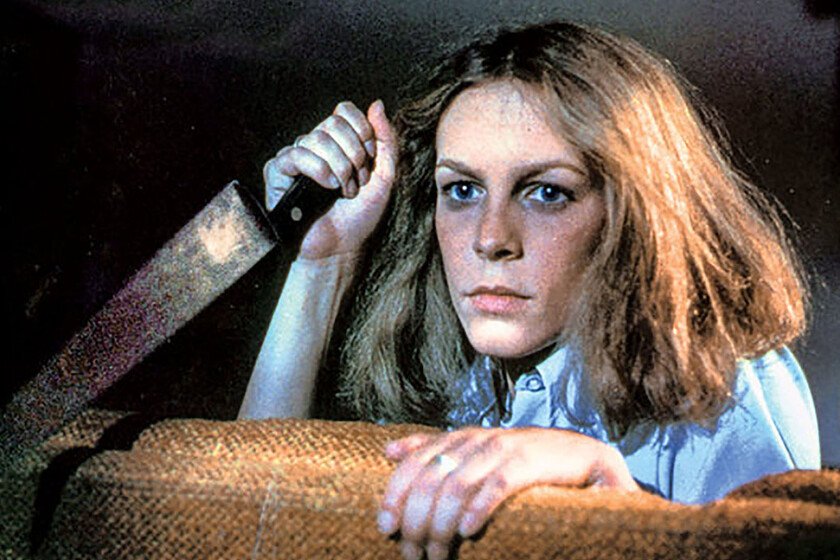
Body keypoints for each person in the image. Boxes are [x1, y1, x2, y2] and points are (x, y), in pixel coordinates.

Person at [239, 21, 820, 560]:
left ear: (632, 216)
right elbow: (240, 518)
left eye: (546, 192)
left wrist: (614, 496)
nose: (491, 239)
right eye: (462, 190)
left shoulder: (724, 382)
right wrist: (322, 265)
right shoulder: (471, 375)